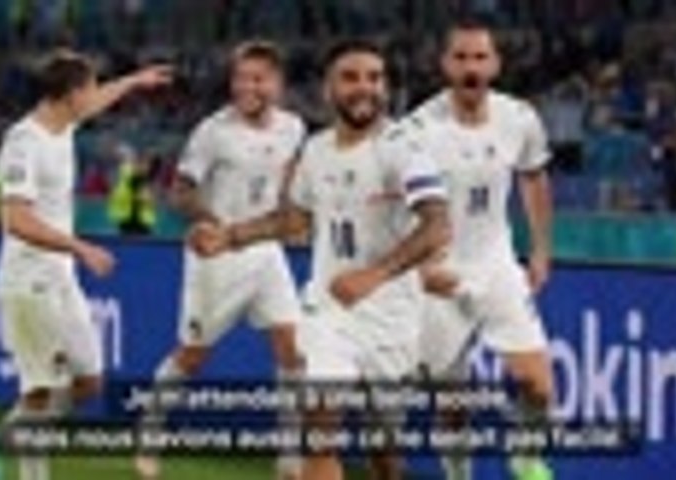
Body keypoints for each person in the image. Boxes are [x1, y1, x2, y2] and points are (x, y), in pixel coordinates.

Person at [190, 38, 450, 480]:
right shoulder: (316, 149)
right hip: (329, 310)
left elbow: (437, 225)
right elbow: (295, 219)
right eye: (351, 78)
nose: (364, 87)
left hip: (392, 318)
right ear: (328, 89)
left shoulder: (404, 147)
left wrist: (375, 275)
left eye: (374, 78)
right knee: (319, 427)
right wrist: (230, 236)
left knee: (384, 453)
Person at [0, 50, 171, 480]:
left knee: (89, 382)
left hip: (60, 276)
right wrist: (79, 247)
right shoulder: (24, 142)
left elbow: (98, 102)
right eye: (90, 88)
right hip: (27, 281)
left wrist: (135, 80)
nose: (95, 97)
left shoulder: (64, 124)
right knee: (41, 391)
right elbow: (17, 220)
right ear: (71, 94)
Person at [134, 41, 307, 480]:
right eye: (240, 78)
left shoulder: (293, 128)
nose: (247, 87)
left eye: (258, 78)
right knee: (193, 355)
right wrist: (211, 223)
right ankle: (150, 433)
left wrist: (288, 217)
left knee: (292, 349)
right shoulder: (213, 132)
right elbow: (180, 191)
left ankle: (290, 459)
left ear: (277, 84)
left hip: (264, 250)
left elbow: (289, 182)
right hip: (216, 254)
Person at [409, 19, 556, 480]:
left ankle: (526, 457)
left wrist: (540, 250)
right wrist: (419, 269)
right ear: (445, 65)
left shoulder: (520, 119)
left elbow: (534, 177)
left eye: (479, 57)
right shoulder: (418, 130)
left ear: (495, 64)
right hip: (440, 272)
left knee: (538, 385)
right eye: (461, 57)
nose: (470, 68)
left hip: (496, 265)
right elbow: (396, 209)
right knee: (451, 405)